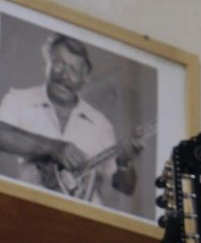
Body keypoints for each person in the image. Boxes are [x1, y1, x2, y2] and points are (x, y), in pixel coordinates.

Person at [0, 34, 140, 203]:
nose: (64, 76)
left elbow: (126, 187)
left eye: (74, 70)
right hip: (29, 209)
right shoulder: (18, 100)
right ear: (46, 63)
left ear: (85, 77)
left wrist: (124, 163)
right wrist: (53, 147)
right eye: (58, 63)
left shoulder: (101, 124)